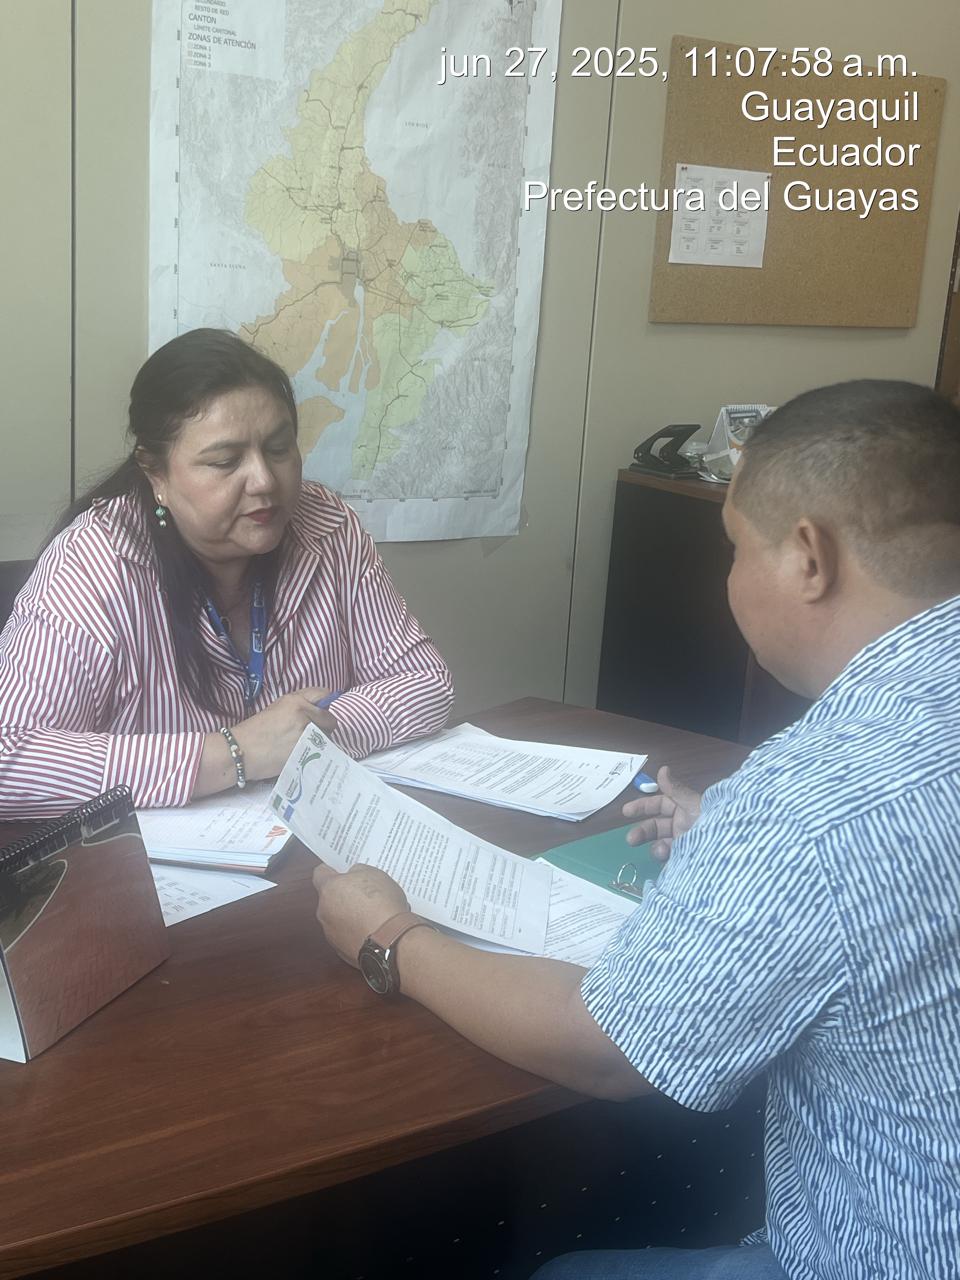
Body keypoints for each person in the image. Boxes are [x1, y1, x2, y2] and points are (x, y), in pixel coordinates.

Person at [312, 380, 960, 1280]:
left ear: (810, 558)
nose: (729, 577)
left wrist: (388, 937)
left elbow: (607, 1048)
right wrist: (733, 838)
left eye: (735, 546)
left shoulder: (813, 801)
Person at [0, 329, 453, 818]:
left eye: (279, 448)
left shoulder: (326, 527)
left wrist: (302, 736)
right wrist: (236, 753)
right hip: (155, 860)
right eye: (225, 461)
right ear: (155, 474)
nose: (264, 481)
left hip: (317, 833)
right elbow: (9, 757)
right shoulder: (95, 564)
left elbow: (425, 682)